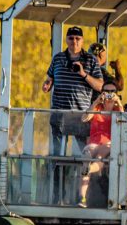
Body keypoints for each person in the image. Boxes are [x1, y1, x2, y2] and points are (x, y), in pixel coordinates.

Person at [42, 26, 104, 156]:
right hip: (59, 113)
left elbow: (100, 86)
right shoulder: (58, 58)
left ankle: (82, 175)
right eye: (71, 38)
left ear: (82, 41)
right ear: (66, 40)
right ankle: (57, 175)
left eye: (77, 38)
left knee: (83, 152)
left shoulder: (90, 59)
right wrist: (47, 85)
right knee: (57, 153)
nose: (74, 41)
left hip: (80, 114)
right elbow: (49, 78)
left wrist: (83, 74)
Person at [78, 81, 124, 207]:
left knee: (99, 157)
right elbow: (84, 118)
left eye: (112, 92)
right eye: (106, 91)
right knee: (88, 155)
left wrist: (118, 102)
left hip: (109, 144)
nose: (109, 94)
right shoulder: (97, 108)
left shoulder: (117, 110)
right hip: (93, 143)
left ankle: (88, 169)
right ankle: (82, 198)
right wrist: (97, 101)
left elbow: (125, 120)